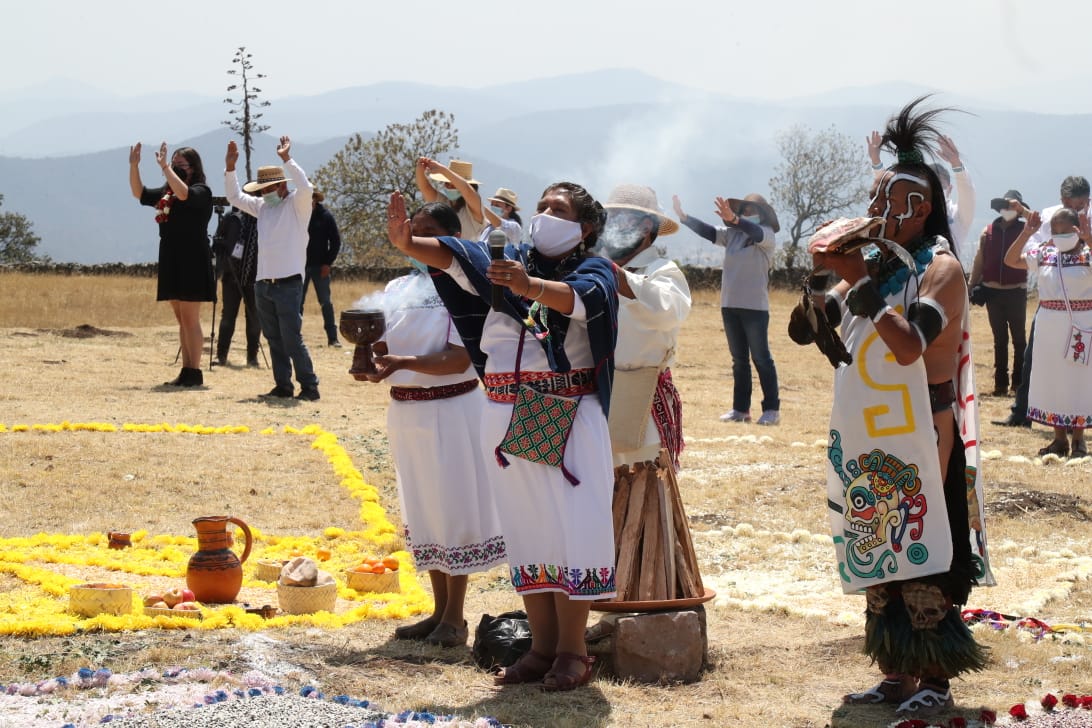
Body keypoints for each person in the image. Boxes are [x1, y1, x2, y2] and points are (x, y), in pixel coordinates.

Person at [795, 98, 991, 718]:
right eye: (874, 199)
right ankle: (894, 670)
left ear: (923, 207)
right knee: (876, 537)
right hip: (871, 424)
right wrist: (821, 288)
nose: (877, 211)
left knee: (923, 537)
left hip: (926, 426)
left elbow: (909, 347)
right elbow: (808, 333)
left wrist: (863, 286)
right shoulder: (877, 266)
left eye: (890, 201)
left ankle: (935, 673)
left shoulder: (943, 270)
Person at [385, 181, 618, 691]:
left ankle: (573, 653)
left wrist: (528, 286)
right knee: (528, 527)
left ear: (585, 228)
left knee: (569, 527)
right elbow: (456, 257)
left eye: (557, 209)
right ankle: (541, 649)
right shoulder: (507, 259)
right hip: (505, 406)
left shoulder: (593, 269)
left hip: (562, 404)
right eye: (542, 205)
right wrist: (408, 244)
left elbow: (580, 300)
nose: (543, 214)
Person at [358, 201, 506, 647]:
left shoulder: (464, 287)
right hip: (406, 412)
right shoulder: (399, 285)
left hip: (452, 409)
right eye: (407, 230)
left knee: (452, 507)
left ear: (450, 241)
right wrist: (369, 352)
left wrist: (403, 360)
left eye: (424, 232)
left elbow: (461, 357)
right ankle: (437, 609)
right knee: (422, 507)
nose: (412, 238)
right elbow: (383, 337)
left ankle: (455, 619)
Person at [595, 183, 698, 603]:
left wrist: (618, 278)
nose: (617, 227)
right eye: (612, 218)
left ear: (648, 228)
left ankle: (646, 585)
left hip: (641, 396)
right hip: (599, 390)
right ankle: (605, 582)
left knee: (640, 480)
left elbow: (668, 311)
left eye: (627, 219)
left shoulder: (663, 271)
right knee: (604, 483)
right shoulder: (597, 267)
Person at [224, 136, 320, 401]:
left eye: (268, 189)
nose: (264, 194)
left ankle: (309, 386)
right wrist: (230, 168)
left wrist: (287, 159)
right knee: (274, 339)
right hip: (263, 283)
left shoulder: (297, 207)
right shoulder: (263, 208)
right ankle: (283, 385)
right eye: (262, 190)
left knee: (291, 339)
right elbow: (234, 196)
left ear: (281, 187)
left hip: (289, 283)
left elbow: (306, 187)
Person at [673, 192, 780, 425]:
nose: (746, 214)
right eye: (744, 210)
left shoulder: (767, 236)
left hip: (755, 308)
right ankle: (740, 410)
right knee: (739, 360)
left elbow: (755, 232)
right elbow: (709, 232)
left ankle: (771, 409)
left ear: (762, 215)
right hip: (729, 305)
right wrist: (684, 217)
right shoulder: (731, 235)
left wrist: (734, 220)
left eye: (751, 211)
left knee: (761, 359)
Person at [995, 176, 1090, 428]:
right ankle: (1023, 412)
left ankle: (1078, 420)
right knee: (1034, 357)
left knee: (1080, 364)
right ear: (1063, 201)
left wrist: (1087, 237)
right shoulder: (1053, 217)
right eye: (1073, 205)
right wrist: (1028, 223)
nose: (1077, 211)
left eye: (1082, 205)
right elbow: (1029, 249)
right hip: (1051, 301)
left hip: (1084, 303)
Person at [129, 141, 215, 387]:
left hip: (193, 259)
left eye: (181, 165)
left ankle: (194, 371)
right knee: (181, 319)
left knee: (190, 318)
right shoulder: (167, 193)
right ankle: (186, 370)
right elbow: (140, 193)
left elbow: (185, 194)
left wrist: (166, 167)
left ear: (193, 168)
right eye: (173, 164)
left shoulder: (201, 191)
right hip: (171, 256)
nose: (175, 169)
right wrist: (134, 166)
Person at [868, 131, 975, 263]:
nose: (937, 189)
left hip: (945, 277)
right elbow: (891, 191)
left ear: (950, 188)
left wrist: (956, 164)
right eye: (932, 184)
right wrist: (875, 161)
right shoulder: (913, 209)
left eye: (941, 183)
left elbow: (967, 193)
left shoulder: (958, 216)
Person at [968, 190, 1031, 396]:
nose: (1008, 211)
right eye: (1006, 207)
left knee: (1019, 339)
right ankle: (1000, 384)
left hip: (1016, 292)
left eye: (1013, 207)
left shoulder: (1026, 231)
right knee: (999, 339)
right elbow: (979, 261)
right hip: (992, 293)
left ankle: (1019, 384)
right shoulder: (987, 231)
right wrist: (971, 287)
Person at [212, 206, 261, 367]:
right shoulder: (230, 218)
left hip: (254, 277)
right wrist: (220, 249)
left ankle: (252, 357)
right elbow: (217, 242)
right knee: (227, 316)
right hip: (231, 276)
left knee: (254, 317)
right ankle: (221, 355)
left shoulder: (262, 219)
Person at [301, 190, 343, 347]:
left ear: (315, 199)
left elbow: (335, 242)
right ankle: (295, 337)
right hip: (300, 266)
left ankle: (333, 338)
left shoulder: (326, 216)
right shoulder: (298, 214)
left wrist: (327, 263)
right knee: (298, 303)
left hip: (320, 266)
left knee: (326, 302)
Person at [415, 158, 486, 242]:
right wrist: (420, 168)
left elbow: (467, 190)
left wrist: (443, 170)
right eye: (447, 183)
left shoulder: (474, 209)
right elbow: (425, 188)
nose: (449, 187)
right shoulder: (443, 203)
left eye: (453, 184)